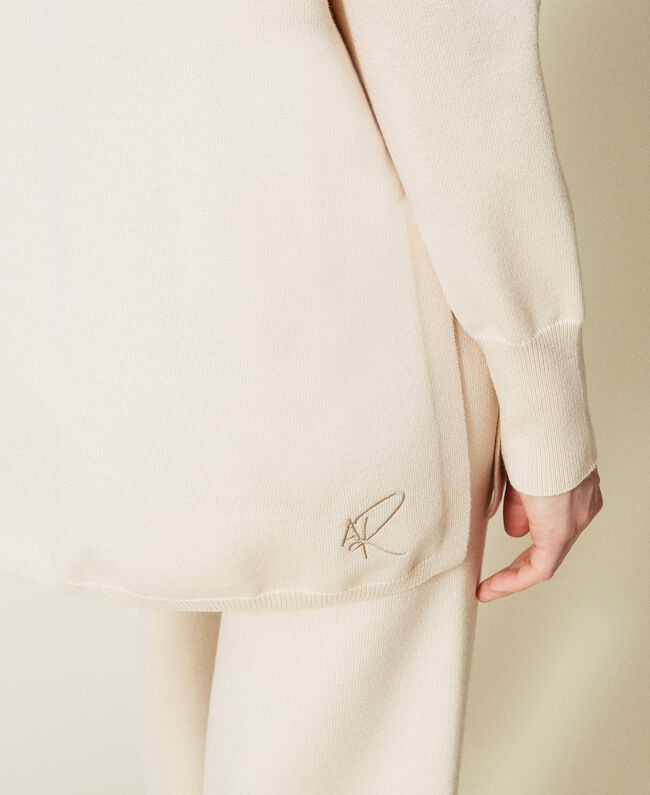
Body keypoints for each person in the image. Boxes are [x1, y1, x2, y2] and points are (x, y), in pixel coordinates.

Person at [0, 1, 604, 793]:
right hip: (357, 349)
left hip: (127, 338)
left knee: (187, 750)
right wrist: (545, 397)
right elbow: (445, 60)